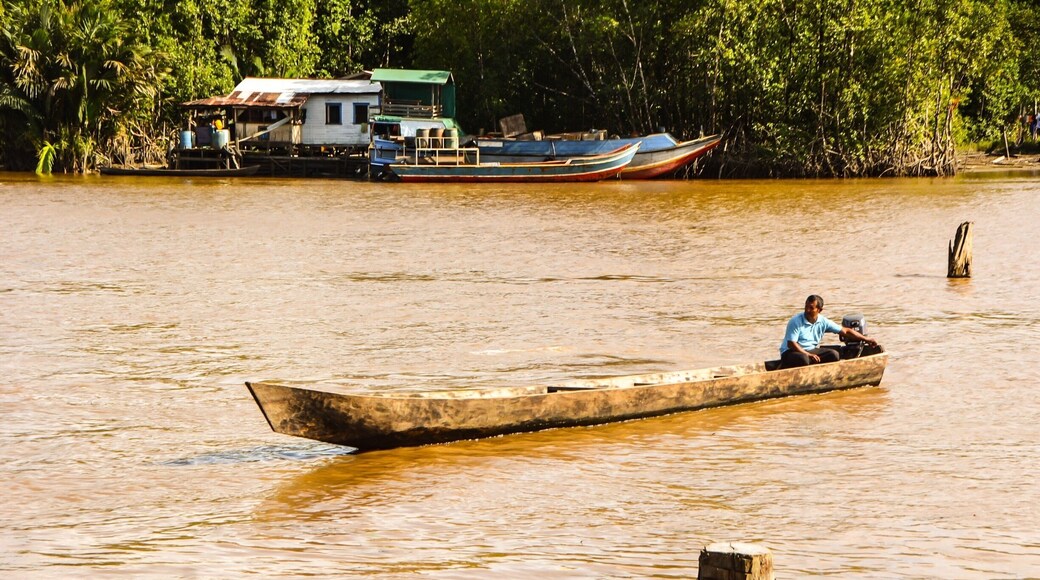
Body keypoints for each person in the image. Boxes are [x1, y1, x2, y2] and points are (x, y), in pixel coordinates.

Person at [779, 295, 876, 368]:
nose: (807, 310)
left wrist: (866, 339)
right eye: (806, 306)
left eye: (811, 308)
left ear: (819, 310)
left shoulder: (823, 321)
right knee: (804, 359)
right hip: (790, 352)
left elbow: (845, 331)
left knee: (834, 355)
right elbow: (791, 343)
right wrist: (808, 355)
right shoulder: (795, 321)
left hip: (809, 350)